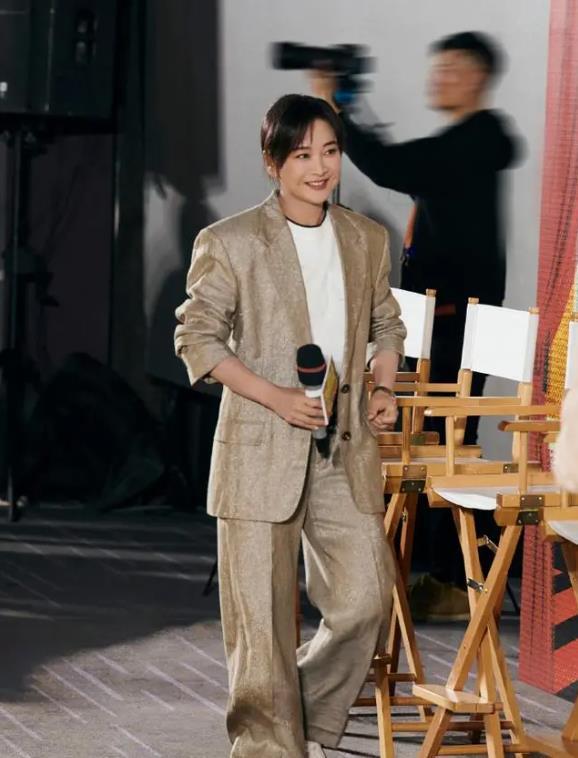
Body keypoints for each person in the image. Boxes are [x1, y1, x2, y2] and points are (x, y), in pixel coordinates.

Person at [174, 94, 406, 758]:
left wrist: (383, 384)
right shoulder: (231, 241)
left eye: (329, 151)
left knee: (367, 600)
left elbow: (386, 324)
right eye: (302, 155)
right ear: (273, 163)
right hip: (258, 448)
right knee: (262, 628)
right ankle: (267, 743)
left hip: (342, 448)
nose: (319, 167)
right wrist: (275, 397)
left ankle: (282, 713)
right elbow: (197, 339)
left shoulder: (366, 238)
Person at [311, 30, 522, 622]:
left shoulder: (475, 142)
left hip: (454, 324)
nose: (439, 78)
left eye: (451, 68)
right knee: (431, 444)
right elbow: (401, 166)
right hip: (447, 322)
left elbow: (392, 165)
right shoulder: (471, 144)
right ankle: (434, 576)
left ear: (478, 77)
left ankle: (454, 582)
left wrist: (337, 112)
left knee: (442, 448)